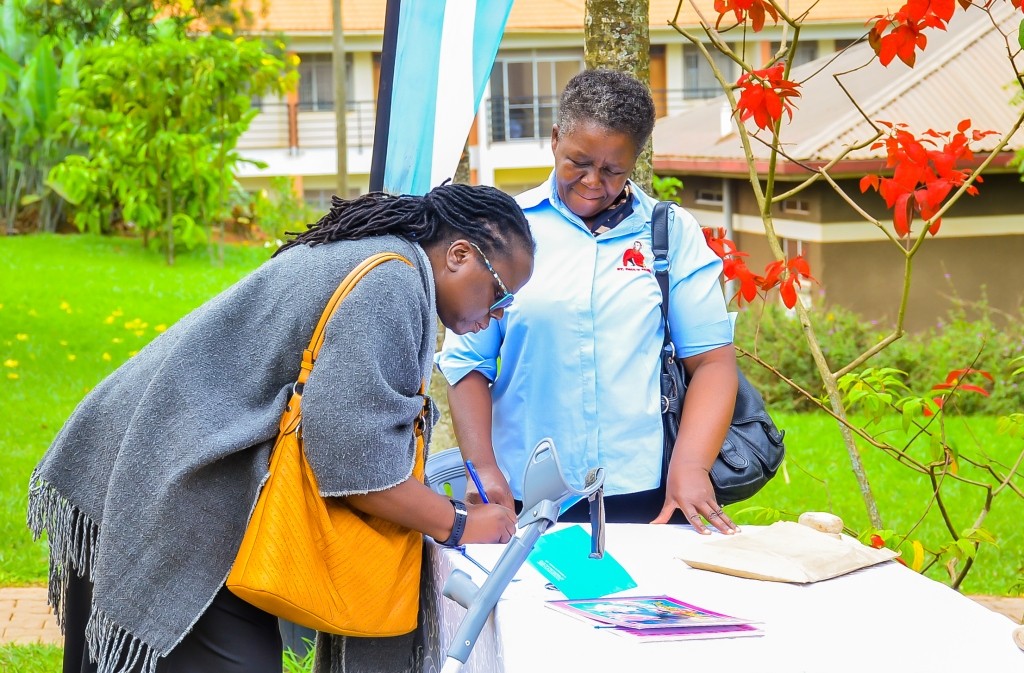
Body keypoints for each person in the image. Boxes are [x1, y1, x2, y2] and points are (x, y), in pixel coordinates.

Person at [27, 183, 535, 673]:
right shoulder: (391, 283)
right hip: (168, 481)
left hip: (149, 459)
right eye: (498, 293)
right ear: (459, 255)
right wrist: (460, 523)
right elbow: (355, 468)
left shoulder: (388, 261)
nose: (495, 316)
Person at [437, 69, 740, 534]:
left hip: (644, 493)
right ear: (555, 139)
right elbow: (467, 364)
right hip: (520, 493)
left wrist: (692, 466)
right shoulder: (504, 233)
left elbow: (712, 362)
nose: (593, 182)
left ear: (635, 161)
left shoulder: (671, 233)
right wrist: (483, 468)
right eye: (578, 162)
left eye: (613, 170)